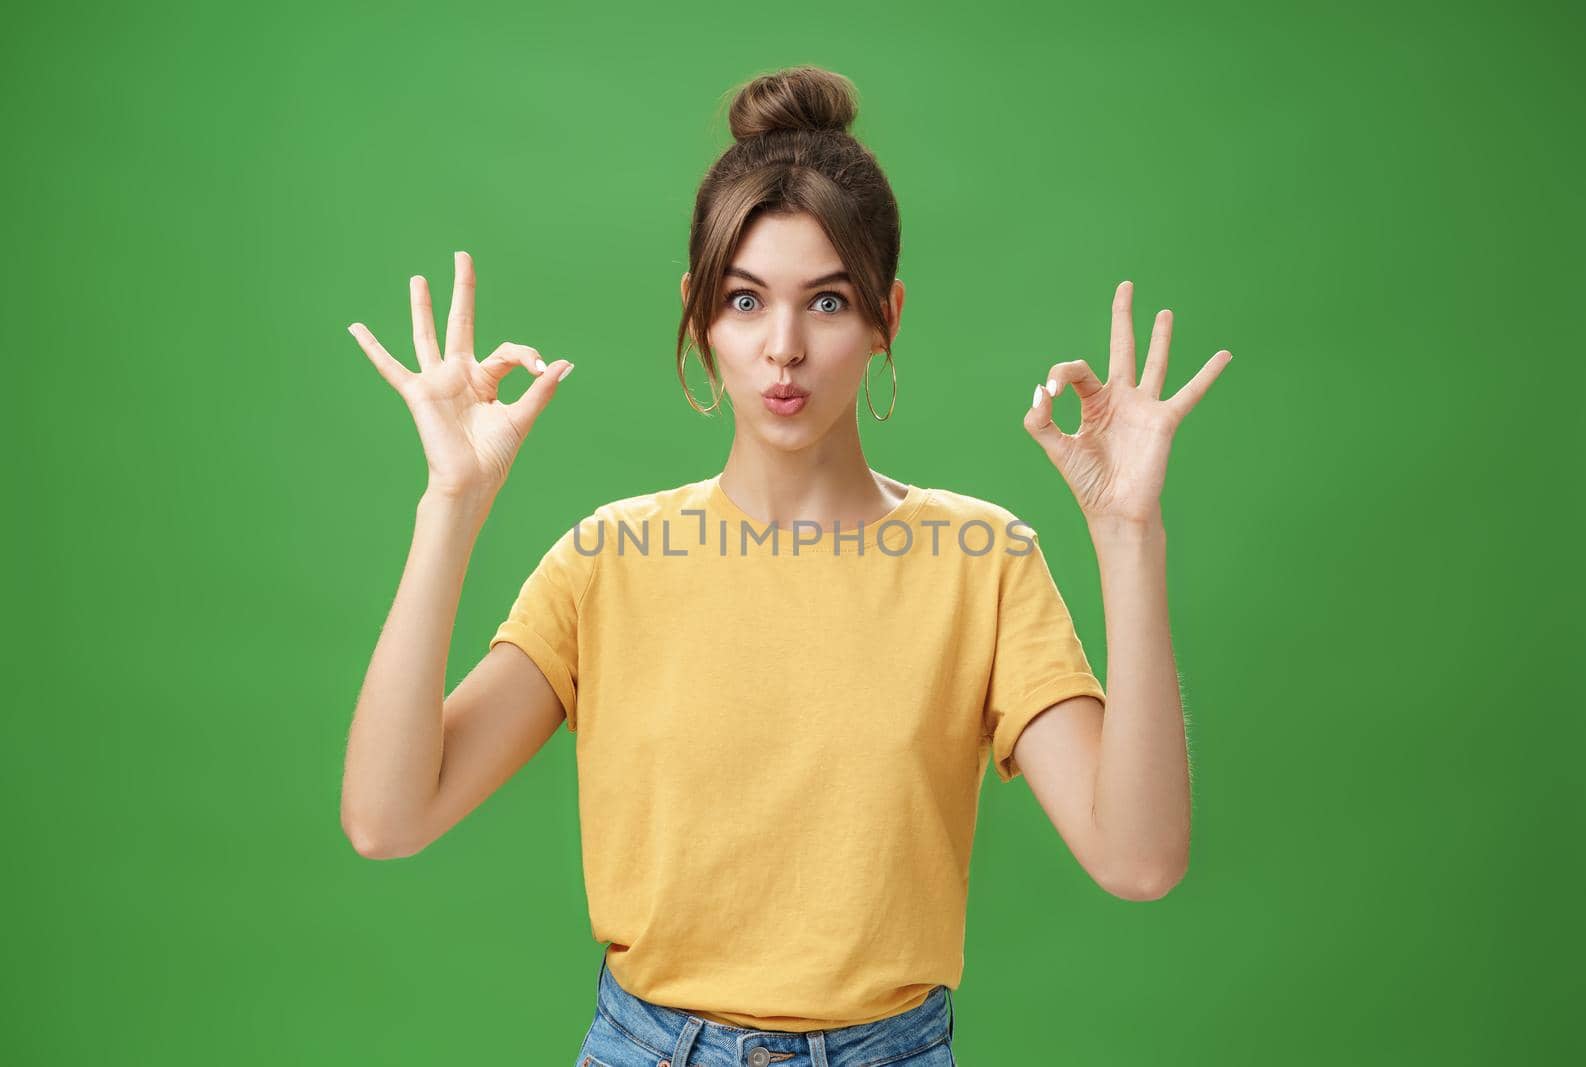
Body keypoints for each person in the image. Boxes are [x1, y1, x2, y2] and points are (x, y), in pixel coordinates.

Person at [340, 64, 1229, 1067]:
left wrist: (1128, 532)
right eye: (746, 299)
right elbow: (387, 814)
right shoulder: (608, 559)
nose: (785, 348)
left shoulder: (981, 560)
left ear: (885, 314)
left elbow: (1140, 858)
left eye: (830, 301)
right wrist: (450, 502)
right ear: (698, 312)